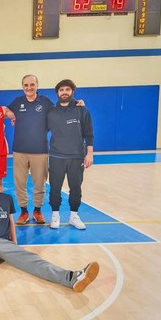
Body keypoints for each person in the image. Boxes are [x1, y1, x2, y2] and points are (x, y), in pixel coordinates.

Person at [0, 169, 100, 299]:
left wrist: (15, 243)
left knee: (34, 261)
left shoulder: (6, 199)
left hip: (5, 242)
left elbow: (11, 221)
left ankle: (72, 278)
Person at [47, 79, 94, 230]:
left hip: (76, 157)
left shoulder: (82, 110)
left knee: (76, 188)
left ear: (73, 91)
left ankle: (74, 215)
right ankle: (55, 215)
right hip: (56, 157)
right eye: (61, 90)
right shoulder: (51, 112)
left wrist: (89, 154)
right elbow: (38, 128)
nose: (64, 92)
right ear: (57, 93)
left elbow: (89, 134)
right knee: (55, 188)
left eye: (67, 89)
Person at [7, 74, 52, 226]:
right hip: (20, 150)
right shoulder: (18, 101)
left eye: (32, 85)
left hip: (40, 150)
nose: (29, 88)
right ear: (22, 87)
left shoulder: (45, 102)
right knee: (20, 183)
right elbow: (4, 111)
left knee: (40, 183)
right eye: (26, 85)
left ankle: (37, 210)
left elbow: (59, 112)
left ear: (37, 85)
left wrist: (76, 104)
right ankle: (24, 211)